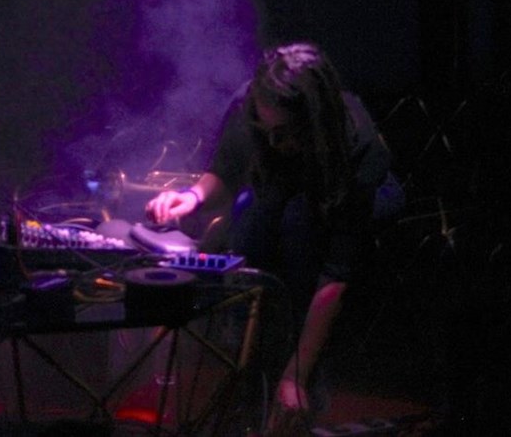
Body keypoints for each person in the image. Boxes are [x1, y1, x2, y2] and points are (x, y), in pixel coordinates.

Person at [145, 41, 391, 428]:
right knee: (250, 228)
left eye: (285, 133)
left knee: (299, 227)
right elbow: (225, 172)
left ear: (314, 124)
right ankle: (248, 363)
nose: (273, 143)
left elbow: (335, 276)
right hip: (285, 190)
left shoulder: (359, 147)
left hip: (345, 198)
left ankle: (304, 377)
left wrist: (296, 374)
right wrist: (191, 197)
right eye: (266, 131)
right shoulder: (253, 104)